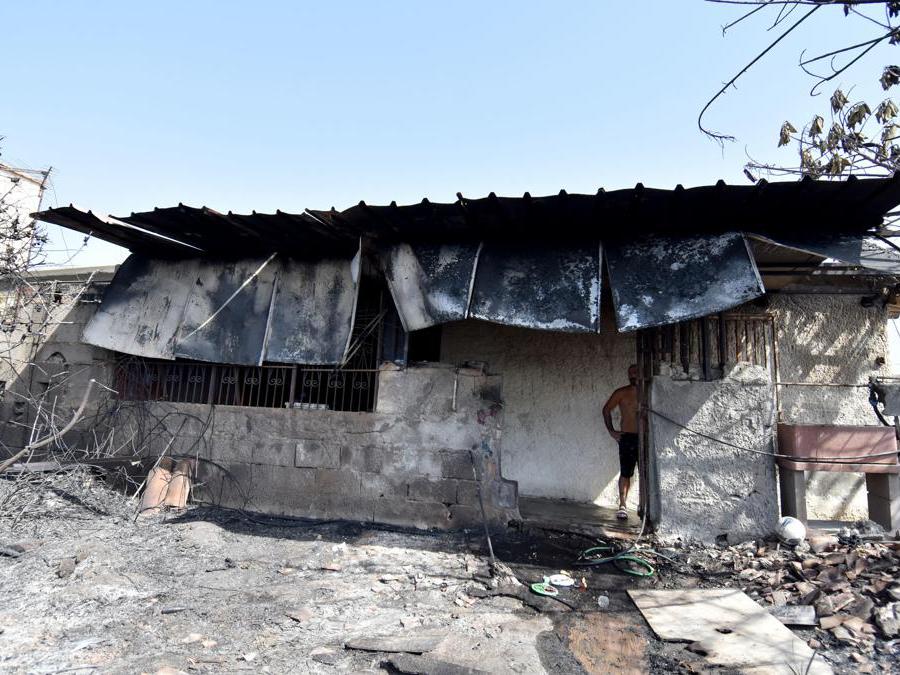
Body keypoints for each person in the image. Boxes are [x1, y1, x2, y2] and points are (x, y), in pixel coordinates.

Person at [602, 364, 639, 520]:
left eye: (636, 373)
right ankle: (622, 504)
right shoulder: (622, 393)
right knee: (625, 472)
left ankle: (645, 505)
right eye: (630, 373)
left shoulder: (650, 391)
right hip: (628, 437)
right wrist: (612, 431)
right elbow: (606, 410)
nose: (633, 376)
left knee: (647, 473)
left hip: (646, 437)